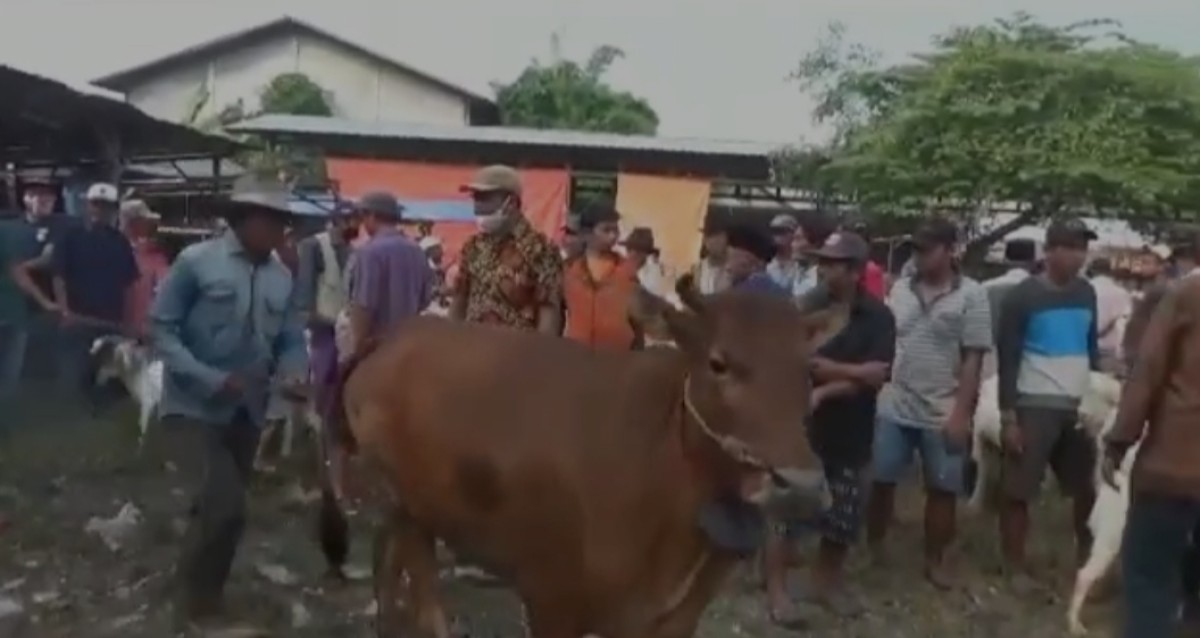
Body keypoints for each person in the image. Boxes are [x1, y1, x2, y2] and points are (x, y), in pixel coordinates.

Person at [149, 175, 307, 631]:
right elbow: (161, 329)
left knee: (220, 512)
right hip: (192, 407)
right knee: (225, 505)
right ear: (243, 219)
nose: (278, 230)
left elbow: (290, 338)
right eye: (270, 220)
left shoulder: (281, 276)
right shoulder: (196, 262)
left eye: (283, 221)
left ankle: (201, 596)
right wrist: (211, 378)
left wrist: (295, 371)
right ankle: (193, 606)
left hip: (248, 412)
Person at [768, 231, 894, 625]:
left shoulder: (878, 317)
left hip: (851, 426)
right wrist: (852, 373)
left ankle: (826, 582)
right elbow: (794, 362)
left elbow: (878, 376)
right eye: (821, 262)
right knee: (785, 511)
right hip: (801, 426)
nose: (823, 270)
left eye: (833, 264)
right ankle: (777, 591)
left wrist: (829, 380)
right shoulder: (803, 308)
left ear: (855, 271)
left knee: (844, 512)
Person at [867, 218, 992, 589]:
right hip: (895, 402)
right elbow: (890, 340)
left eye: (927, 249)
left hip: (943, 408)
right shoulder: (900, 290)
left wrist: (961, 415)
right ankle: (874, 547)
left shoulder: (972, 295)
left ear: (950, 251)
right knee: (880, 479)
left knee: (942, 489)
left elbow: (973, 359)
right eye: (915, 250)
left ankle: (935, 559)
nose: (919, 257)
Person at [995, 218, 1099, 587]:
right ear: (1050, 251)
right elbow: (1008, 358)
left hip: (1079, 405)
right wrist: (1009, 416)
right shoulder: (1023, 296)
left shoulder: (1087, 292)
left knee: (1087, 488)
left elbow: (1091, 349)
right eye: (1070, 247)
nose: (1078, 256)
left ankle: (1088, 564)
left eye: (1082, 248)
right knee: (1019, 489)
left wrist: (1096, 393)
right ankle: (1014, 565)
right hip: (1034, 402)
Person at [1103, 259, 1200, 638]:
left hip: (1175, 466)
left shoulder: (1186, 294)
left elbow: (1148, 372)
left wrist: (1118, 440)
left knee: (1149, 577)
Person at [48, 183, 138, 398]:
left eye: (106, 206)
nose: (100, 210)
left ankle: (96, 407)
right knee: (74, 377)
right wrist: (64, 311)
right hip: (77, 318)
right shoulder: (69, 236)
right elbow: (58, 276)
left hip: (111, 321)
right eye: (96, 204)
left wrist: (129, 320)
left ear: (114, 210)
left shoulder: (120, 241)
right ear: (87, 206)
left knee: (106, 378)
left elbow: (129, 283)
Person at [451, 165, 562, 333]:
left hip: (519, 348)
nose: (477, 207)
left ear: (511, 202)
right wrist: (449, 341)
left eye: (485, 199)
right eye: (475, 199)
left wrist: (542, 349)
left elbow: (549, 312)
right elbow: (459, 301)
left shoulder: (541, 249)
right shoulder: (473, 247)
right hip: (473, 346)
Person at [294, 203, 358, 445]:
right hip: (320, 326)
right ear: (338, 221)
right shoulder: (313, 246)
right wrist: (310, 317)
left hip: (342, 327)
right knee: (320, 379)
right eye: (352, 221)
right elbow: (304, 289)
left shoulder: (353, 251)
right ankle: (312, 432)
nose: (356, 226)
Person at [562, 201, 640, 351]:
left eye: (615, 230)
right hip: (576, 355)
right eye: (606, 230)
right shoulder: (569, 270)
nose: (613, 235)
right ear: (586, 234)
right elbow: (557, 315)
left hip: (616, 356)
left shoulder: (626, 271)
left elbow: (637, 321)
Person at [120, 200, 169, 337]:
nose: (150, 226)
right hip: (127, 327)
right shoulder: (120, 251)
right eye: (145, 222)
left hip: (144, 329)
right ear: (134, 223)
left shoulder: (154, 254)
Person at [1087, 257, 1132, 375]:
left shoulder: (1084, 289)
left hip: (1085, 347)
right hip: (1110, 348)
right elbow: (1126, 320)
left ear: (1092, 271)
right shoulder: (1121, 293)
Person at [766, 214, 817, 297]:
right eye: (775, 231)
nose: (778, 235)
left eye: (783, 231)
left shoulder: (807, 267)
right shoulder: (767, 263)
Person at [691, 218, 732, 294]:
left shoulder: (735, 267)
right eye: (710, 236)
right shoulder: (698, 268)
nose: (716, 241)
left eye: (720, 236)